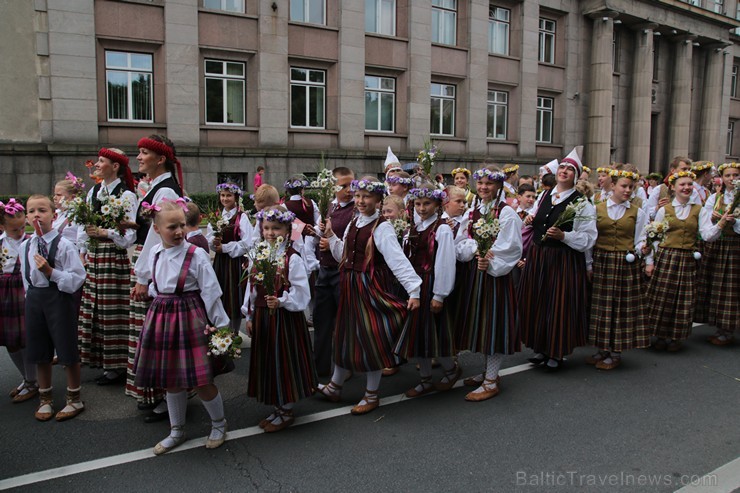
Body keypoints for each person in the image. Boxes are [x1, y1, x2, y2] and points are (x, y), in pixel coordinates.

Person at [132, 200, 230, 454]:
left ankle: (219, 424)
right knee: (171, 378)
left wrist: (222, 327)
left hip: (189, 318)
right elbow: (155, 286)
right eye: (171, 227)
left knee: (201, 379)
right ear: (156, 229)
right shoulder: (155, 254)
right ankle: (177, 430)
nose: (179, 232)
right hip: (162, 319)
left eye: (182, 225)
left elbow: (211, 293)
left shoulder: (195, 255)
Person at [318, 177, 421, 415]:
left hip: (369, 286)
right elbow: (342, 254)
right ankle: (335, 386)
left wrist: (414, 289)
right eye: (358, 196)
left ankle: (371, 394)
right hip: (349, 285)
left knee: (370, 339)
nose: (361, 201)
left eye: (366, 196)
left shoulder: (382, 227)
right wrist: (332, 237)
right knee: (345, 336)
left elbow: (397, 260)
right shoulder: (354, 221)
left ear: (377, 199)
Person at [519, 147, 597, 371]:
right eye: (562, 167)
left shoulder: (581, 203)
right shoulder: (545, 194)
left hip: (562, 260)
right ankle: (541, 348)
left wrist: (565, 236)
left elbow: (588, 238)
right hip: (539, 256)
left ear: (576, 175)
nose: (564, 171)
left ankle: (557, 352)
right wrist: (530, 219)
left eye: (570, 169)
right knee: (539, 302)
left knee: (558, 305)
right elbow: (535, 216)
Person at [242, 206, 317, 432]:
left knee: (284, 360)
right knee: (268, 361)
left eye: (276, 228)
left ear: (287, 230)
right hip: (264, 317)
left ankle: (286, 408)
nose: (270, 233)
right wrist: (250, 313)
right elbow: (251, 287)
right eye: (266, 228)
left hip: (284, 320)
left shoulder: (291, 258)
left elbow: (302, 292)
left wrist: (283, 301)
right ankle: (278, 405)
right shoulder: (260, 253)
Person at [455, 167, 522, 399]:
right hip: (476, 273)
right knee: (481, 324)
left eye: (489, 184)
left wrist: (489, 259)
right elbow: (461, 240)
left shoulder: (507, 213)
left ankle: (491, 380)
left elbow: (511, 248)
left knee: (493, 324)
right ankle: (487, 372)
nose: (483, 187)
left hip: (494, 277)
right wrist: (475, 250)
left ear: (499, 186)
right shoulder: (474, 210)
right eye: (481, 183)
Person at [128, 135, 183, 413]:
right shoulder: (158, 189)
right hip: (151, 261)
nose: (138, 157)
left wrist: (142, 277)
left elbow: (156, 236)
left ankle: (165, 395)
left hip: (156, 265)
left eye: (144, 152)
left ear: (160, 159)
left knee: (159, 335)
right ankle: (158, 394)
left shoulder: (166, 193)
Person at [20, 194, 87, 421]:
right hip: (35, 299)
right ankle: (45, 397)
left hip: (58, 298)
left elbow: (77, 278)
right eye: (31, 211)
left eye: (42, 210)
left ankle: (74, 397)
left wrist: (51, 273)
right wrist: (29, 296)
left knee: (66, 346)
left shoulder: (64, 245)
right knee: (39, 350)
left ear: (54, 215)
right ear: (27, 217)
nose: (37, 215)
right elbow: (25, 277)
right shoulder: (26, 245)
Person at [641, 171, 721, 352]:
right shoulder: (664, 210)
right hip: (666, 258)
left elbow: (707, 235)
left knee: (682, 299)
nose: (686, 188)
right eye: (682, 185)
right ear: (673, 188)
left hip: (686, 259)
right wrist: (649, 262)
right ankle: (660, 335)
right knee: (662, 298)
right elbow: (654, 237)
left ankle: (675, 336)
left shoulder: (699, 210)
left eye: (689, 184)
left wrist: (720, 224)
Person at [77, 148, 138, 386]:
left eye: (102, 161)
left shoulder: (126, 195)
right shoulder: (94, 191)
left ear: (115, 166)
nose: (97, 165)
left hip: (113, 255)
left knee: (113, 309)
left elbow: (130, 236)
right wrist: (83, 251)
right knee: (96, 309)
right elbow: (83, 227)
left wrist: (107, 232)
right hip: (94, 256)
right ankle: (104, 361)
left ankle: (118, 364)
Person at [394, 184, 457, 397]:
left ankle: (451, 369)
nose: (421, 208)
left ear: (438, 204)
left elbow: (445, 262)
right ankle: (426, 379)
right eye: (418, 203)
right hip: (413, 285)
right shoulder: (412, 227)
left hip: (430, 285)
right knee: (418, 334)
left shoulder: (442, 228)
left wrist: (439, 294)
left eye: (427, 203)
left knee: (433, 333)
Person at [586, 165, 649, 370]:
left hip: (624, 264)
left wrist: (643, 250)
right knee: (601, 306)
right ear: (613, 186)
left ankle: (615, 352)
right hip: (602, 261)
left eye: (631, 187)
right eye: (624, 186)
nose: (628, 190)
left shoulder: (637, 213)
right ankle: (602, 348)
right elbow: (590, 239)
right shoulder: (597, 209)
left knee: (619, 308)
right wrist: (589, 264)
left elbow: (640, 239)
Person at [312, 167, 355, 377]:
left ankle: (345, 367)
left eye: (351, 185)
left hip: (342, 271)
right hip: (325, 269)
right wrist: (319, 233)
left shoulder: (355, 210)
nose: (349, 190)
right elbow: (323, 230)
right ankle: (320, 367)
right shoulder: (329, 206)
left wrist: (331, 244)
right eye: (343, 186)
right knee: (322, 319)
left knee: (343, 323)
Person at [699, 162, 740, 346]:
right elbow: (706, 223)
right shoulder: (715, 197)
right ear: (722, 178)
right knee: (716, 286)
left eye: (736, 175)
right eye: (728, 175)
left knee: (731, 287)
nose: (732, 179)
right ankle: (720, 326)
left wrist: (734, 222)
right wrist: (715, 219)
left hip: (735, 246)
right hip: (718, 245)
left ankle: (728, 329)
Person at [1, 199, 36, 403]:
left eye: (23, 226)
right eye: (15, 229)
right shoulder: (1, 243)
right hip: (4, 293)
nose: (20, 231)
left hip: (23, 291)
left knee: (25, 337)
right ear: (2, 227)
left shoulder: (30, 241)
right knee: (10, 340)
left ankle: (33, 380)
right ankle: (26, 378)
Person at [206, 182, 253, 333]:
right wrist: (214, 243)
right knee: (221, 293)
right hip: (220, 263)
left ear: (236, 197)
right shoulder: (216, 217)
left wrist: (225, 248)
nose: (225, 199)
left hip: (235, 263)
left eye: (229, 195)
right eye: (222, 195)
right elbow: (209, 238)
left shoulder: (242, 217)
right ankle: (220, 329)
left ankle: (234, 330)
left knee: (234, 296)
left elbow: (248, 243)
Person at [52, 175, 84, 248]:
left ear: (72, 197)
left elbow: (82, 239)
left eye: (59, 195)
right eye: (55, 194)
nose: (54, 198)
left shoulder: (79, 215)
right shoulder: (56, 213)